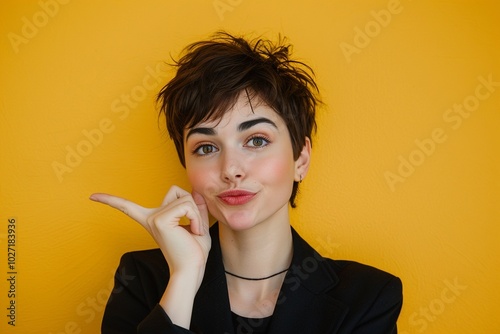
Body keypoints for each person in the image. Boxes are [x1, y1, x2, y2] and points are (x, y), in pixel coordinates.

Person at [90, 31, 403, 334]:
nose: (231, 169)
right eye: (206, 147)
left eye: (256, 140)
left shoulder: (369, 296)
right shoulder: (143, 280)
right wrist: (184, 278)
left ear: (301, 159)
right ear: (187, 166)